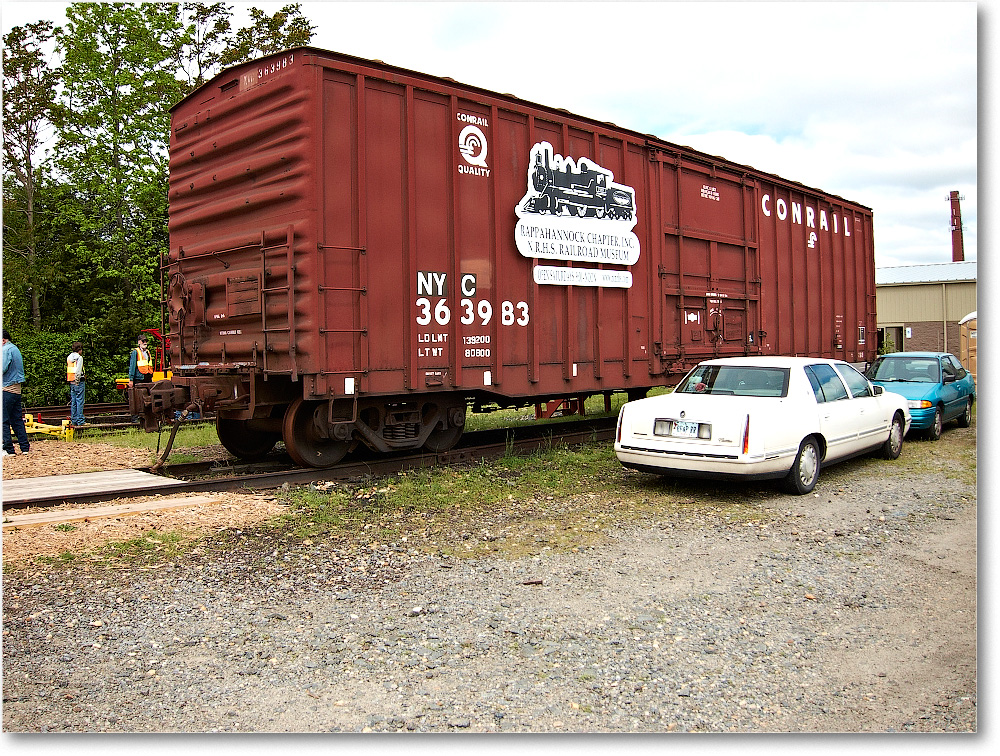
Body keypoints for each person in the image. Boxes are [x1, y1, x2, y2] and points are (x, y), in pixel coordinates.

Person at [2, 329, 30, 456]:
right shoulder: (15, 349)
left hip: (6, 388)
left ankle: (8, 449)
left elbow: (2, 368)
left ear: (3, 340)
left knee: (3, 420)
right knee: (17, 419)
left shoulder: (5, 350)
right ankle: (24, 448)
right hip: (16, 390)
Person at [67, 340, 86, 427]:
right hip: (78, 381)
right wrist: (77, 381)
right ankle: (80, 420)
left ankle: (74, 420)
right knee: (80, 401)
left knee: (74, 401)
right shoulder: (79, 358)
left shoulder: (69, 357)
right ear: (80, 349)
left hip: (71, 381)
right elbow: (78, 371)